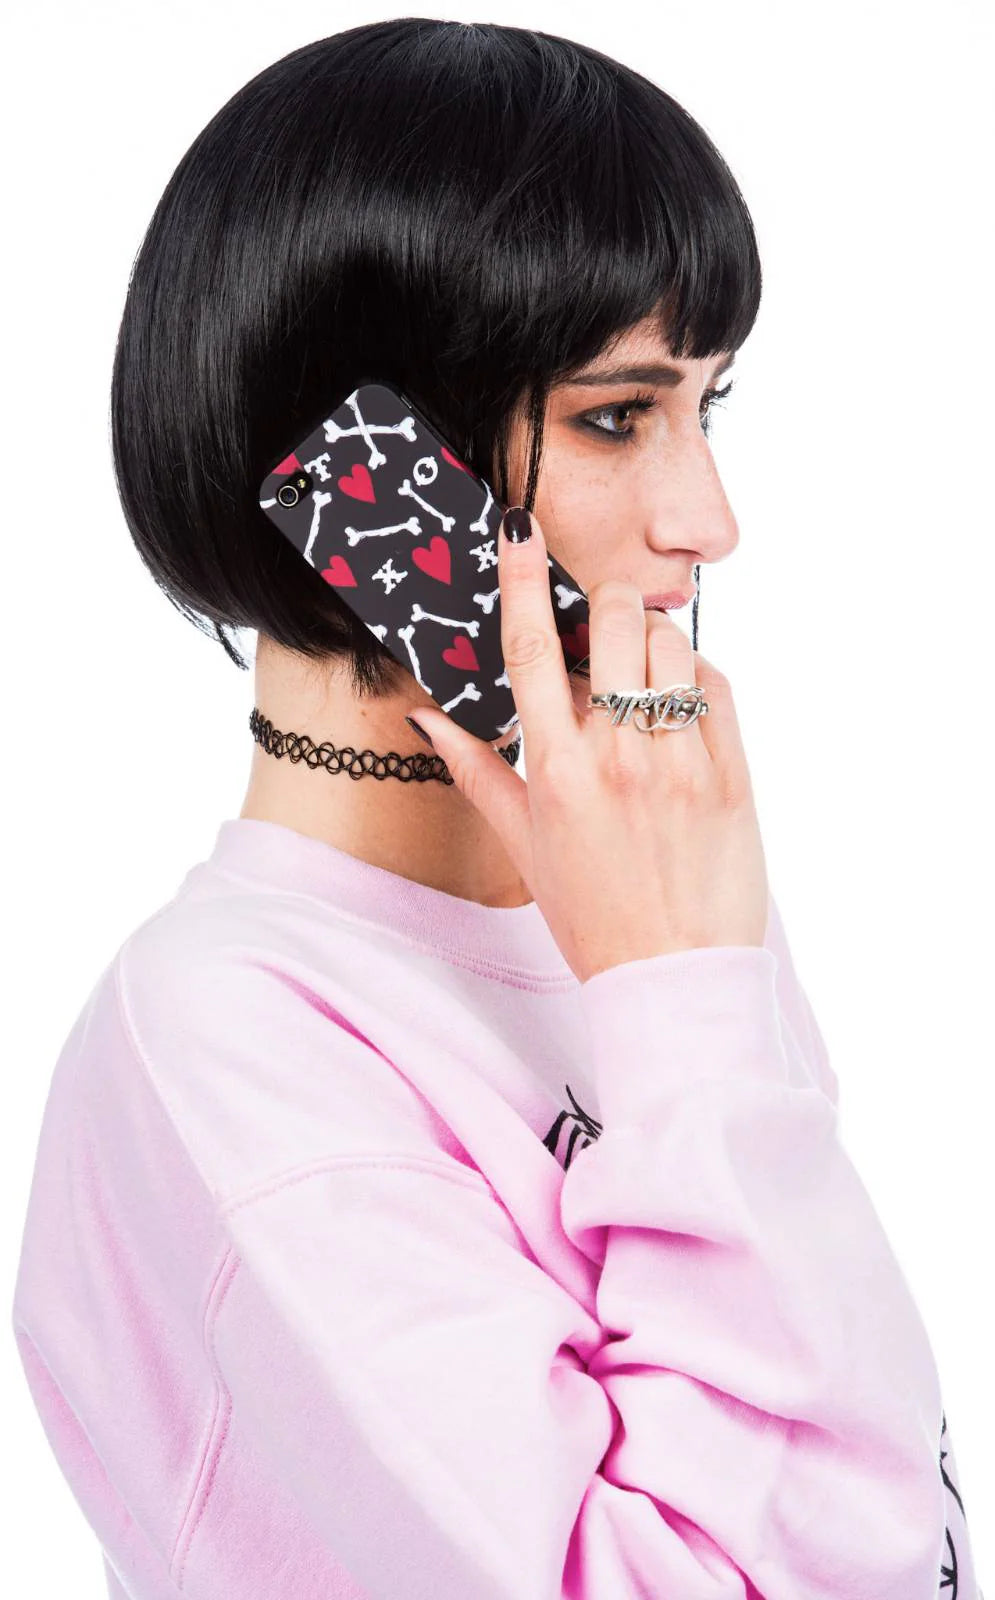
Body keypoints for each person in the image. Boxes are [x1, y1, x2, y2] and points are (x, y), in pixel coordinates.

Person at [10, 19, 982, 1600]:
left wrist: (681, 975)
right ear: (360, 468)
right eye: (617, 415)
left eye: (709, 408)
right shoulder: (224, 1043)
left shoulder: (654, 911)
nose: (711, 521)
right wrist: (682, 1001)